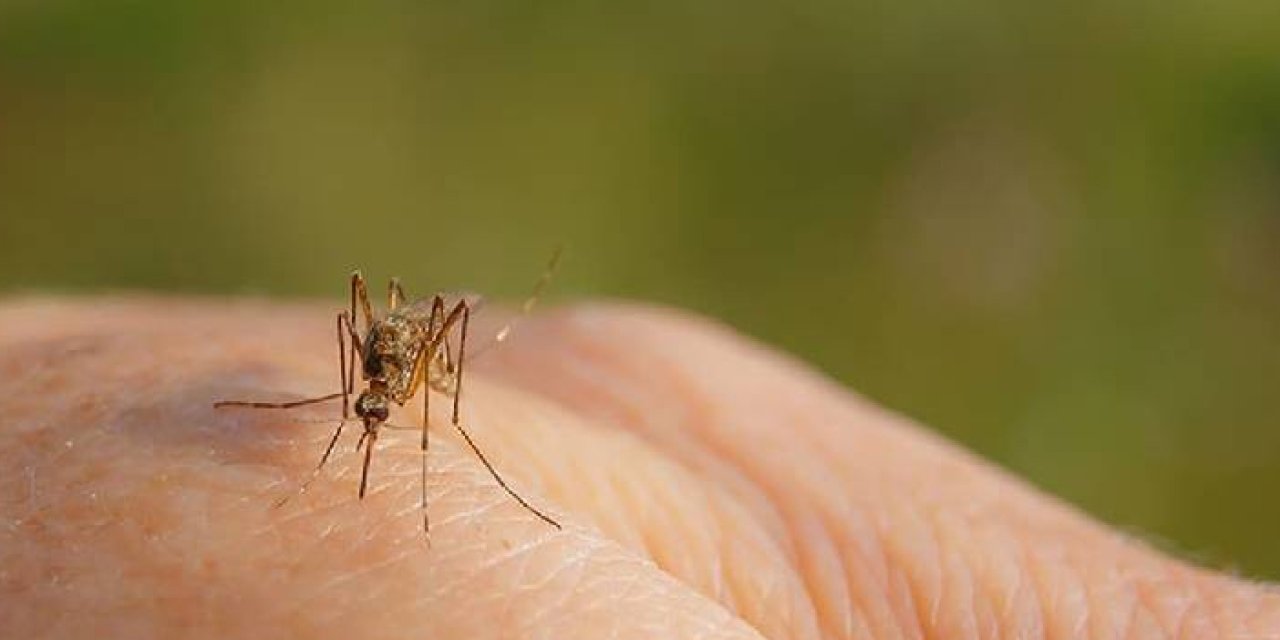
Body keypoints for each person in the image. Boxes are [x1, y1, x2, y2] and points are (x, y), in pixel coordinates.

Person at [1, 299, 1276, 638]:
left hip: (422, 369)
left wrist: (437, 425)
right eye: (373, 406)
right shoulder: (368, 369)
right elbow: (365, 349)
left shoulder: (415, 371)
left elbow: (402, 344)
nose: (375, 411)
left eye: (375, 406)